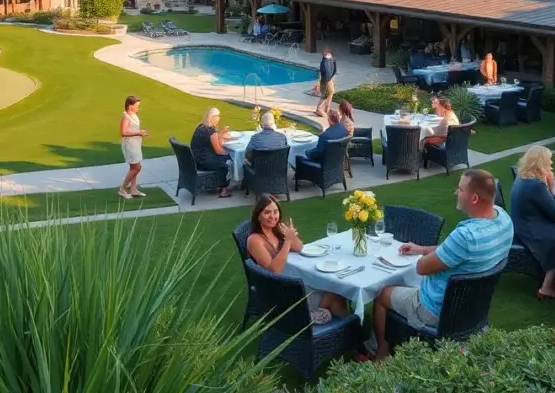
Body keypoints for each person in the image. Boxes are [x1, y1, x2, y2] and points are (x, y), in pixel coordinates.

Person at [370, 169, 512, 358]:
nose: (456, 193)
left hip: (437, 309)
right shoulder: (504, 219)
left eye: (460, 189)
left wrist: (424, 257)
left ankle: (381, 353)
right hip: (473, 308)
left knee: (381, 293)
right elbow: (451, 251)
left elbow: (422, 268)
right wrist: (421, 249)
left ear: (474, 198)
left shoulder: (466, 236)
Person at [246, 194, 348, 323]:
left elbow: (300, 247)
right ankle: (319, 317)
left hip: (291, 281)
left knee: (335, 289)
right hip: (280, 291)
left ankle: (346, 324)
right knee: (334, 294)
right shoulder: (255, 240)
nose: (273, 216)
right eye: (267, 212)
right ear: (258, 215)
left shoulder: (276, 229)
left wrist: (291, 236)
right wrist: (287, 241)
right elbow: (274, 270)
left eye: (275, 211)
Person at [510, 145, 555, 299]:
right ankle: (552, 284)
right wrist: (552, 189)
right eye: (549, 161)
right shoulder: (536, 186)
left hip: (523, 226)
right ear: (541, 163)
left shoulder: (522, 177)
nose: (551, 164)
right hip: (533, 231)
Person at [190, 107, 233, 197]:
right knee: (228, 161)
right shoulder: (211, 132)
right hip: (205, 161)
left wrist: (220, 134)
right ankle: (224, 189)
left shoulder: (200, 127)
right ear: (212, 117)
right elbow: (219, 151)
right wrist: (230, 153)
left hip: (196, 160)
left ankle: (218, 182)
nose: (219, 118)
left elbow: (215, 143)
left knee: (225, 158)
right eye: (217, 116)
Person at [118, 95, 149, 199]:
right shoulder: (126, 116)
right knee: (137, 168)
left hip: (135, 144)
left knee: (134, 167)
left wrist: (140, 133)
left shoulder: (134, 114)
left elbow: (133, 128)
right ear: (130, 106)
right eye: (136, 105)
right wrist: (138, 133)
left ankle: (133, 189)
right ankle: (122, 189)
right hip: (130, 145)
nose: (138, 107)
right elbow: (123, 132)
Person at [315, 48, 337, 117]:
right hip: (326, 81)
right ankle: (319, 109)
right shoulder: (325, 62)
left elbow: (334, 70)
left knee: (330, 93)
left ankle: (326, 109)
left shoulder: (329, 60)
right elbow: (327, 71)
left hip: (328, 80)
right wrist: (328, 80)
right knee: (325, 95)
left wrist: (330, 78)